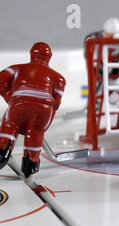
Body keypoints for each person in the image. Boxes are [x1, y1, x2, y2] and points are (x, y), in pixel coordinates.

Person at [0, 42, 66, 178]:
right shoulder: (58, 77)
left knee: (10, 126)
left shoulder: (17, 68)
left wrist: (10, 97)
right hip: (43, 110)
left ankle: (2, 152)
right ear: (49, 57)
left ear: (32, 54)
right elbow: (57, 102)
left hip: (19, 105)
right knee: (35, 134)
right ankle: (31, 166)